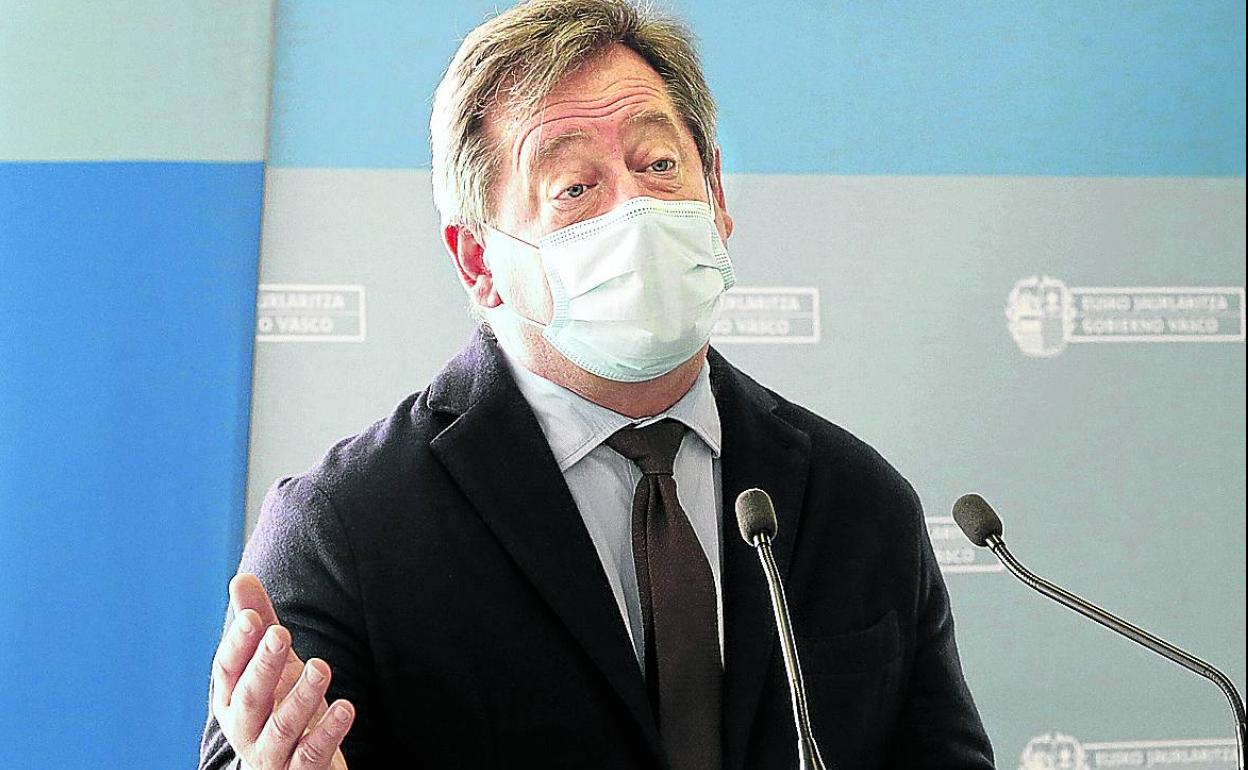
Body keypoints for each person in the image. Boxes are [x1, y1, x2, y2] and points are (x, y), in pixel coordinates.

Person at [198, 1, 996, 768]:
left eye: (659, 165)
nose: (637, 210)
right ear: (478, 260)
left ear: (717, 195)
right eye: (576, 188)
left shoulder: (859, 502)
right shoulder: (346, 529)